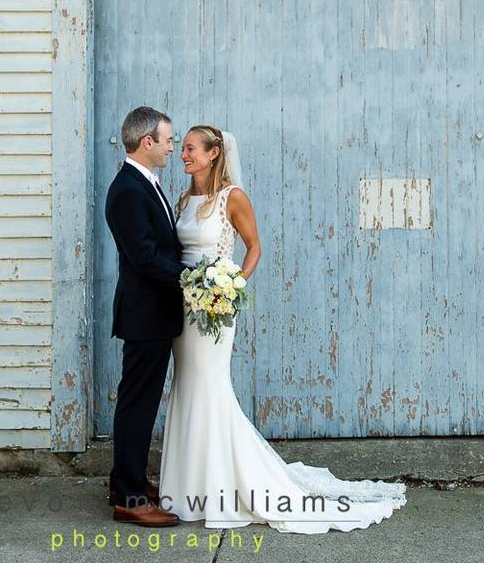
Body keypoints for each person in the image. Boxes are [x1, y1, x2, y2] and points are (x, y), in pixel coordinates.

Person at [158, 125, 407, 532]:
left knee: (210, 387)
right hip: (183, 309)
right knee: (185, 387)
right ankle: (188, 489)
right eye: (182, 149)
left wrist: (232, 287)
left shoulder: (231, 198)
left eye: (189, 149)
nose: (183, 155)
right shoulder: (185, 198)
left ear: (213, 153)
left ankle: (226, 489)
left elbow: (254, 246)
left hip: (215, 309)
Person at [103, 106, 183, 527]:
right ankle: (130, 499)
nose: (173, 147)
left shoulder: (145, 183)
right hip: (145, 314)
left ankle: (126, 480)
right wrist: (194, 280)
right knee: (137, 402)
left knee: (142, 400)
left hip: (154, 314)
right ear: (147, 142)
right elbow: (147, 258)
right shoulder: (128, 190)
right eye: (169, 140)